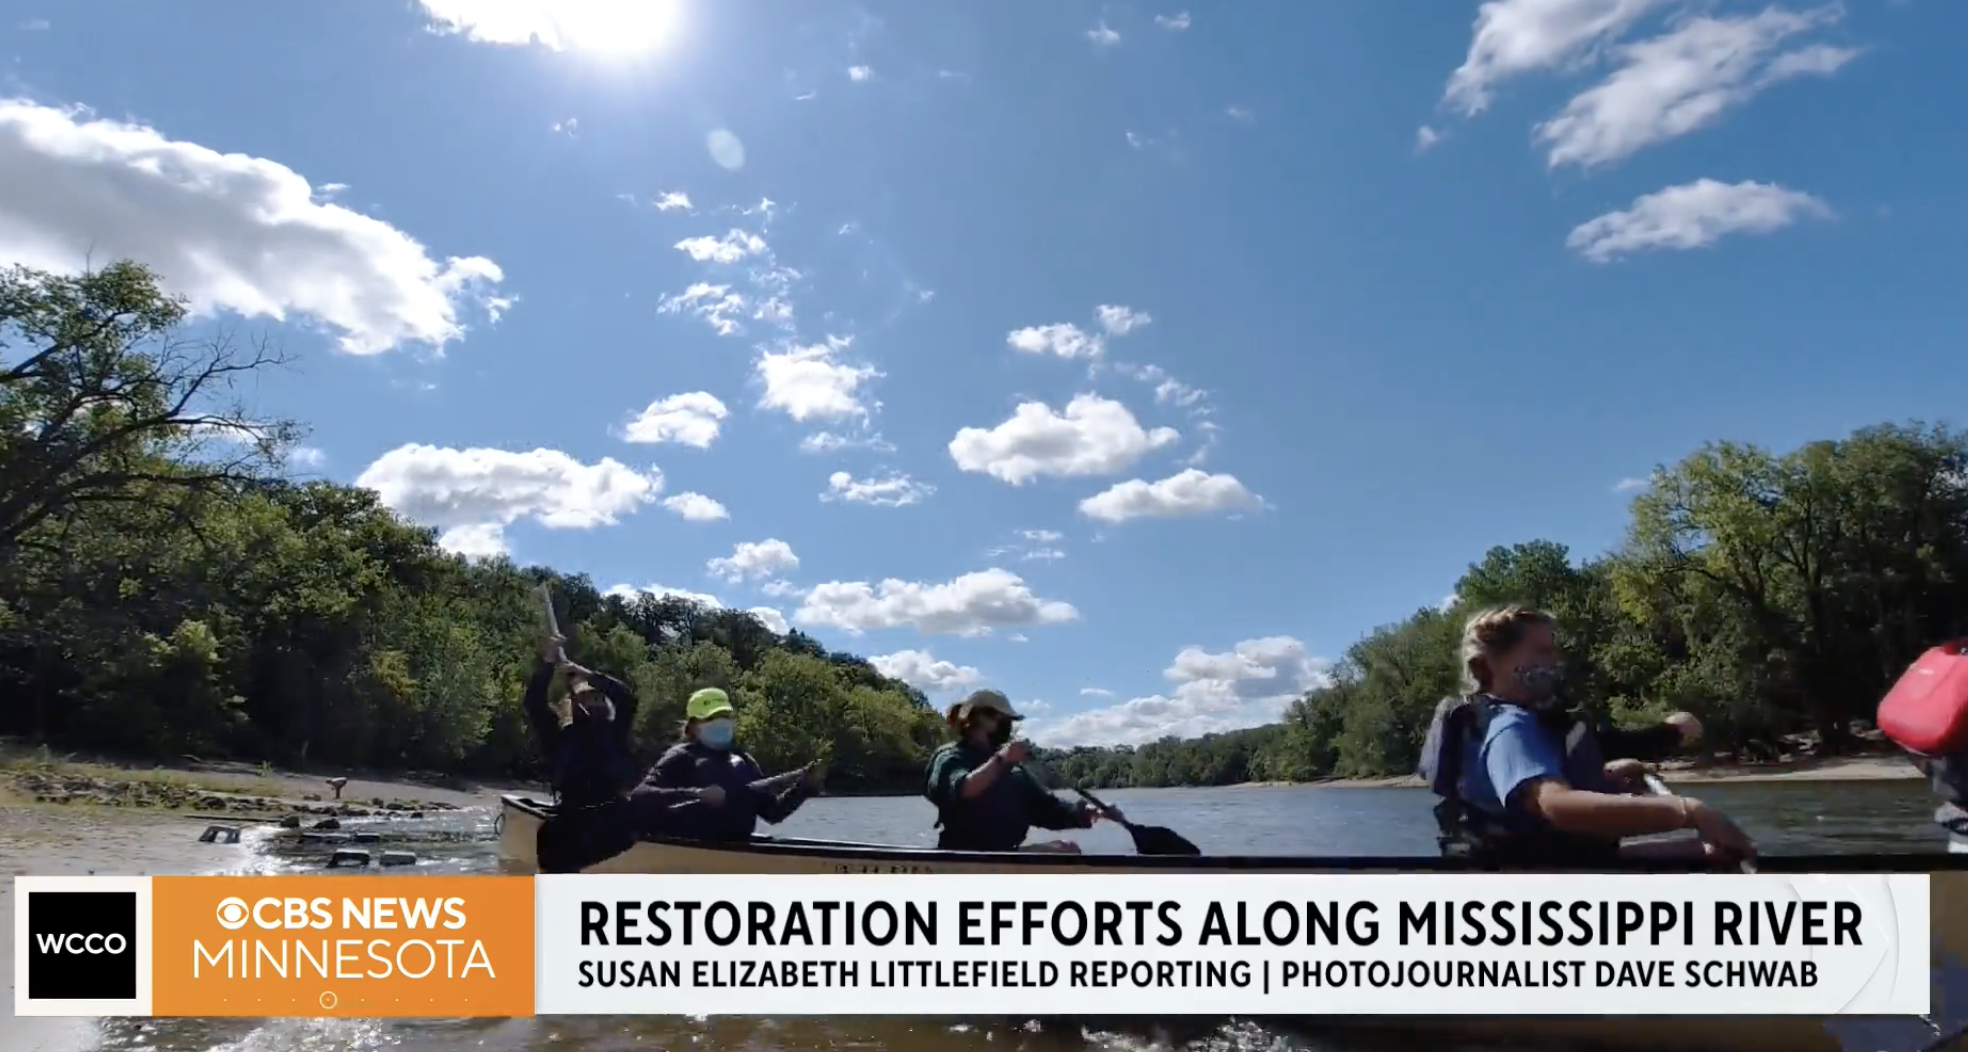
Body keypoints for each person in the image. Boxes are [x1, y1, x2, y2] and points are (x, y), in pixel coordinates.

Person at [1417, 606, 1756, 867]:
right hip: (1537, 883)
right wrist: (1688, 811)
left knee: (1714, 853)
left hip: (1547, 865)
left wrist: (1604, 777)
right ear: (1492, 663)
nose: (1555, 660)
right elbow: (1557, 806)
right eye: (1541, 651)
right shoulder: (1509, 727)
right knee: (1719, 854)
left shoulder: (1517, 719)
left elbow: (1535, 796)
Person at [522, 634, 718, 871]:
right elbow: (534, 702)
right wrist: (548, 663)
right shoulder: (557, 736)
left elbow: (626, 698)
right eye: (586, 698)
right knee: (553, 844)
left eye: (598, 697)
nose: (593, 702)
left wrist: (587, 675)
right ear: (573, 704)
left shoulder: (615, 732)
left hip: (613, 821)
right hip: (574, 819)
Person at [924, 689, 1114, 853]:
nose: (1007, 725)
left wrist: (1091, 811)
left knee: (1067, 849)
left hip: (1006, 855)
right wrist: (1001, 759)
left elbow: (1048, 808)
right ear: (979, 717)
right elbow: (962, 788)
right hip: (962, 857)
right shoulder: (949, 758)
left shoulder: (1014, 770)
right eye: (1003, 719)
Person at [639, 687, 823, 843]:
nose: (721, 722)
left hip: (738, 853)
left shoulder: (744, 760)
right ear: (694, 725)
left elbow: (772, 812)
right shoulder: (681, 757)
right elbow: (641, 796)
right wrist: (696, 793)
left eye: (725, 716)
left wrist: (804, 787)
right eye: (712, 717)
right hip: (686, 852)